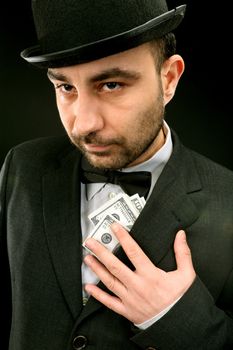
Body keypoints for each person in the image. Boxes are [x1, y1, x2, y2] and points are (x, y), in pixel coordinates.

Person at [0, 0, 233, 349]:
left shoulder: (228, 198)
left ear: (168, 79)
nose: (84, 123)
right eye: (66, 87)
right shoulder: (23, 167)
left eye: (111, 85)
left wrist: (177, 318)